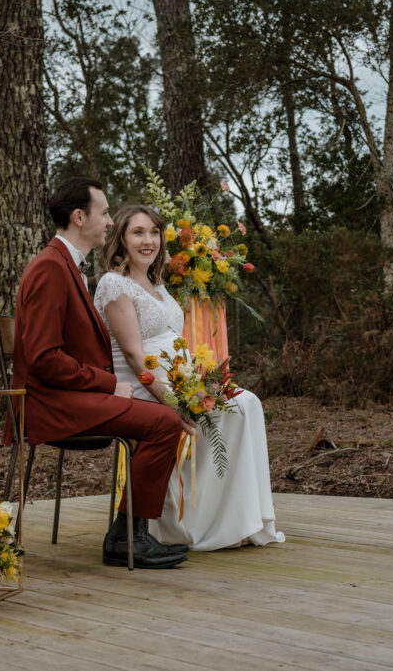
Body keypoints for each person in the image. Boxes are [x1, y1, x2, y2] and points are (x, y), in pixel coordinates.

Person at [9, 177, 189, 568]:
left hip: (68, 395)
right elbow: (43, 358)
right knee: (165, 422)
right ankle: (127, 537)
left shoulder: (66, 266)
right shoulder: (50, 269)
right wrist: (110, 384)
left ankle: (129, 533)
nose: (110, 222)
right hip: (48, 404)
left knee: (164, 419)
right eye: (104, 212)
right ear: (79, 217)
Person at [93, 205, 285, 550]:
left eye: (154, 232)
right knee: (233, 410)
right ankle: (189, 523)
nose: (148, 240)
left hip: (183, 382)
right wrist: (172, 400)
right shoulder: (114, 284)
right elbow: (136, 356)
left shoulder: (158, 285)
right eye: (138, 232)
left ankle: (234, 519)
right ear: (121, 238)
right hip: (144, 387)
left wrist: (199, 382)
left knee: (248, 405)